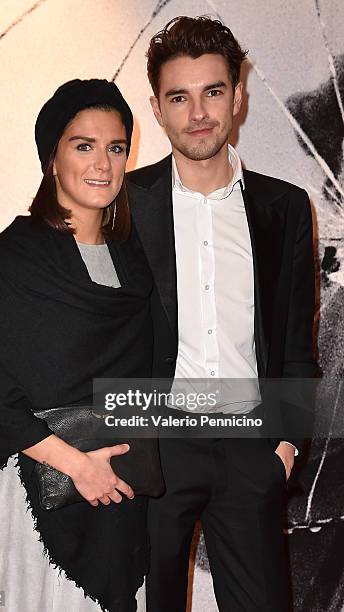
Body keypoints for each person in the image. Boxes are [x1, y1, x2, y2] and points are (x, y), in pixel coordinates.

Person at [126, 16, 318, 612]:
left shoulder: (284, 206)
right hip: (156, 446)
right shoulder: (125, 207)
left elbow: (294, 343)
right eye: (179, 97)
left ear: (238, 95)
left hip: (249, 450)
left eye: (213, 91)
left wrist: (283, 447)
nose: (199, 112)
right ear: (157, 109)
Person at [0, 79, 155, 612]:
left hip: (115, 491)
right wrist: (77, 466)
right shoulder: (18, 257)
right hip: (35, 490)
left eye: (116, 148)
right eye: (83, 145)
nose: (103, 163)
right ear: (53, 159)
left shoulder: (135, 263)